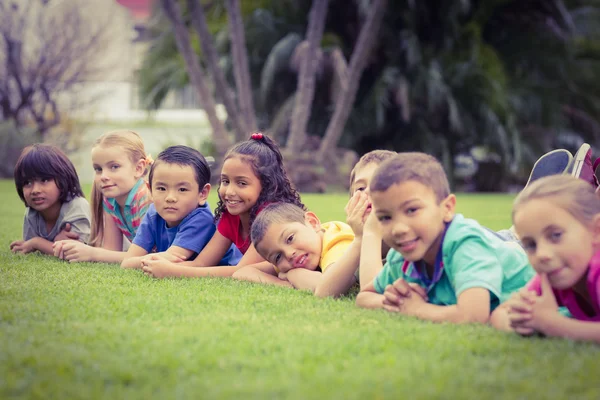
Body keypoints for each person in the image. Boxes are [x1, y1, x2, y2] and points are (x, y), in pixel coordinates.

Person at [356, 152, 534, 324]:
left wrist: (416, 309)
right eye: (385, 217)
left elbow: (473, 315)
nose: (398, 229)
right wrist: (395, 301)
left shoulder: (465, 244)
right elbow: (364, 296)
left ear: (447, 208)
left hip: (543, 300)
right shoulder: (401, 257)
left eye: (411, 210)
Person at [141, 133, 305, 278]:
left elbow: (239, 270)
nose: (229, 191)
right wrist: (160, 265)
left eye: (241, 183)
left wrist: (174, 272)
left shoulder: (270, 219)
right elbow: (201, 264)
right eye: (225, 181)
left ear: (266, 185)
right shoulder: (231, 216)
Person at [491, 175, 600, 342]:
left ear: (595, 231)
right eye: (530, 245)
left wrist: (554, 326)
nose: (542, 254)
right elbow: (500, 314)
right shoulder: (551, 276)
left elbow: (552, 325)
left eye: (555, 235)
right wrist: (522, 320)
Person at [121, 146, 241, 269]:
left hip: (228, 267)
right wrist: (151, 259)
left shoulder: (201, 219)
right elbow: (126, 263)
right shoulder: (154, 213)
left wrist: (145, 259)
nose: (170, 198)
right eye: (161, 188)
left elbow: (172, 260)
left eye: (182, 189)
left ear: (203, 193)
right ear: (150, 190)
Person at [53, 130, 152, 263]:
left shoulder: (145, 198)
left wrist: (92, 253)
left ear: (138, 168)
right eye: (98, 169)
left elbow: (148, 256)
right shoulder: (110, 199)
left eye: (114, 167)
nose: (104, 176)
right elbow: (111, 250)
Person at [232, 203, 358, 297]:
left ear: (312, 222)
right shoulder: (291, 259)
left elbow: (327, 289)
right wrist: (281, 284)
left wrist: (291, 274)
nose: (288, 254)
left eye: (290, 238)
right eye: (277, 257)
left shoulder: (338, 241)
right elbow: (242, 272)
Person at [10, 144, 90, 255]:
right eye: (27, 182)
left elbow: (75, 252)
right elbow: (33, 250)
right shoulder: (32, 213)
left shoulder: (76, 206)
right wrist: (53, 243)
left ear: (63, 179)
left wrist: (36, 243)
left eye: (44, 180)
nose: (35, 190)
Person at [346, 150, 396, 288]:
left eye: (379, 184)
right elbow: (324, 293)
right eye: (360, 188)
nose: (367, 191)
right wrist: (360, 238)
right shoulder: (354, 244)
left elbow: (373, 293)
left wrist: (371, 232)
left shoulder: (409, 244)